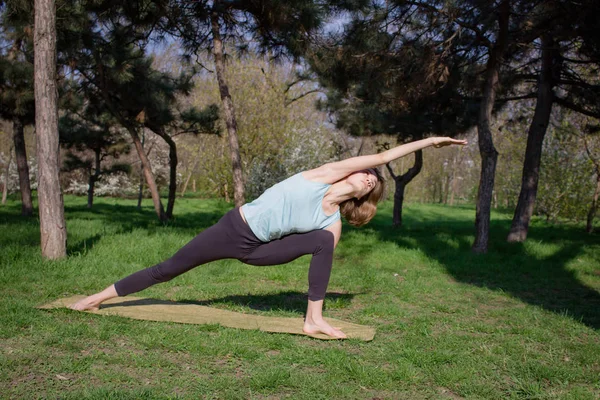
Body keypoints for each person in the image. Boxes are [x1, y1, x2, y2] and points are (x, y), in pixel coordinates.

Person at [71, 136, 467, 338]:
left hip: (260, 250)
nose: (369, 176)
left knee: (324, 242)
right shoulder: (325, 172)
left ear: (365, 194)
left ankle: (314, 320)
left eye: (373, 182)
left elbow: (320, 259)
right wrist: (430, 142)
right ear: (351, 173)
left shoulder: (332, 222)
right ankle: (95, 299)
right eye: (366, 172)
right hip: (233, 230)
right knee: (168, 268)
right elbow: (382, 157)